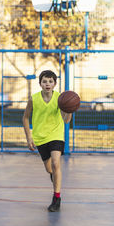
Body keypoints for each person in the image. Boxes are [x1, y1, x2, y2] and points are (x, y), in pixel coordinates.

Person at [23, 70, 72, 212]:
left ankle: (56, 198)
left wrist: (69, 109)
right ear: (40, 84)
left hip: (56, 134)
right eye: (44, 81)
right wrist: (29, 137)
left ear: (55, 84)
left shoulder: (60, 99)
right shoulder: (34, 99)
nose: (47, 84)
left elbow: (66, 120)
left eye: (50, 81)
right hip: (40, 137)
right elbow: (25, 117)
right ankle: (54, 176)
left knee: (56, 163)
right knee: (49, 168)